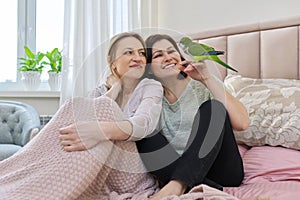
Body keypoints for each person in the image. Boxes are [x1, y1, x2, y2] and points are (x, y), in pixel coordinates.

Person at [0, 32, 163, 199]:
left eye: (141, 53)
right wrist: (116, 88)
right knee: (75, 104)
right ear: (113, 63)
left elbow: (143, 125)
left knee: (102, 105)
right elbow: (85, 120)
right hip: (93, 167)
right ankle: (33, 166)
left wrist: (98, 131)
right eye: (129, 52)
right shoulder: (100, 92)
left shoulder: (150, 87)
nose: (138, 57)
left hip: (129, 172)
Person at [136, 34, 250, 200]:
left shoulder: (203, 83)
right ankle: (204, 188)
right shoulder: (150, 97)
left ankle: (177, 186)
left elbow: (243, 123)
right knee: (143, 135)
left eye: (171, 51)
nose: (168, 58)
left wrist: (206, 78)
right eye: (158, 55)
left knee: (213, 108)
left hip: (222, 170)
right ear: (149, 68)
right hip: (178, 168)